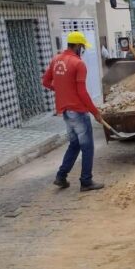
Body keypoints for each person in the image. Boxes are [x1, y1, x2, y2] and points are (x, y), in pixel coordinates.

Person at [42, 31, 105, 191]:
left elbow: (46, 81)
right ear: (77, 46)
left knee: (74, 144)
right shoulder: (78, 64)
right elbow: (82, 92)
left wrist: (61, 89)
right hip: (78, 111)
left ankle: (61, 176)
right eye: (82, 47)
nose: (82, 50)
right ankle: (86, 181)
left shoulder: (56, 59)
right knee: (87, 147)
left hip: (65, 111)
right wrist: (95, 112)